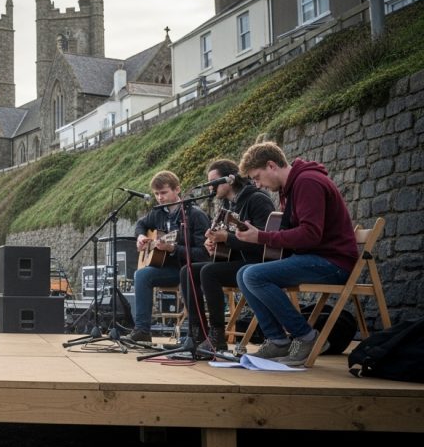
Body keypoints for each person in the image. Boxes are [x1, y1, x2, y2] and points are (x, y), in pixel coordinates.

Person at [235, 141, 358, 366]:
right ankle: (277, 340)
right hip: (314, 258)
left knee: (253, 275)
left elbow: (310, 234)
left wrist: (261, 236)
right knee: (244, 273)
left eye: (258, 177)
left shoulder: (308, 182)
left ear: (271, 165)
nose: (258, 185)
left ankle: (306, 336)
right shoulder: (290, 188)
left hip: (333, 262)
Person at [177, 159, 274, 351]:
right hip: (238, 261)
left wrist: (226, 238)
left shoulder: (257, 199)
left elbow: (266, 242)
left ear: (230, 179)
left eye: (214, 182)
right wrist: (215, 243)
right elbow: (229, 243)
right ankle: (197, 333)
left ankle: (217, 336)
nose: (211, 187)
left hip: (258, 263)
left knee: (209, 272)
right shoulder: (229, 205)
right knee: (187, 271)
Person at [126, 170, 211, 343]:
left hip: (189, 268)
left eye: (163, 192)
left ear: (177, 189)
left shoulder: (195, 215)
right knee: (141, 275)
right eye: (156, 194)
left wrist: (173, 248)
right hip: (168, 267)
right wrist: (140, 236)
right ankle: (142, 330)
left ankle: (196, 334)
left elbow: (203, 253)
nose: (160, 197)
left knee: (185, 274)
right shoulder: (158, 212)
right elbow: (141, 224)